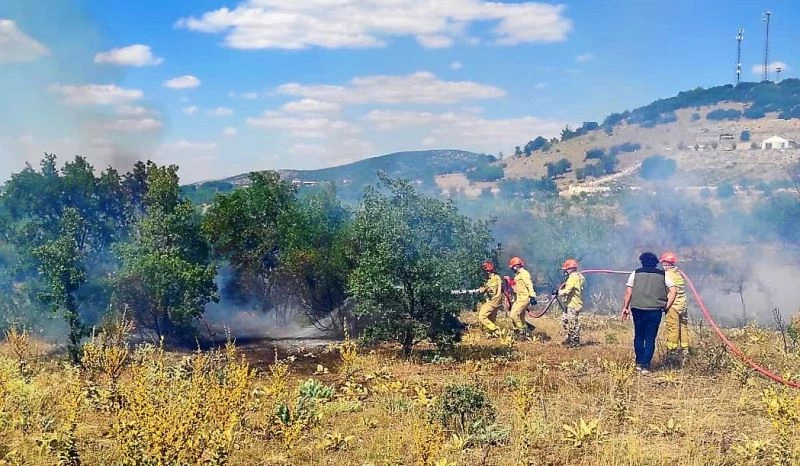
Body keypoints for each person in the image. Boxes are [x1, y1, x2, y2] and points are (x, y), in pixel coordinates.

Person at [621, 252, 677, 374]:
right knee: (650, 338)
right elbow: (673, 291)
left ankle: (639, 363)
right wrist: (666, 306)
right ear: (656, 263)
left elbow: (628, 292)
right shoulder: (663, 275)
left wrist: (625, 307)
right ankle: (646, 366)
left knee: (639, 336)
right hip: (655, 310)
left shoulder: (635, 273)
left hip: (638, 309)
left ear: (642, 262)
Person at [660, 252, 689, 364]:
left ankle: (672, 353)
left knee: (673, 329)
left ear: (666, 263)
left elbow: (672, 291)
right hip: (683, 305)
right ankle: (685, 350)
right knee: (683, 327)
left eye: (663, 262)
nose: (662, 264)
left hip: (673, 305)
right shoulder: (678, 273)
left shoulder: (666, 275)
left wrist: (666, 306)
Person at [558, 258, 585, 347]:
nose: (565, 272)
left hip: (573, 304)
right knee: (565, 320)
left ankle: (575, 342)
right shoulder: (580, 277)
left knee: (573, 323)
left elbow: (567, 291)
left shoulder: (573, 278)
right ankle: (569, 338)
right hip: (572, 303)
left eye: (566, 270)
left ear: (570, 269)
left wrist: (558, 292)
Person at [508, 256, 537, 339]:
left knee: (514, 315)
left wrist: (532, 296)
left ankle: (522, 332)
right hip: (518, 298)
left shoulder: (524, 273)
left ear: (517, 265)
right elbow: (517, 286)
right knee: (519, 317)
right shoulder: (517, 275)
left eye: (512, 267)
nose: (512, 269)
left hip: (524, 298)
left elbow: (529, 284)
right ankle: (525, 331)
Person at [476, 260, 503, 336]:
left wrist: (484, 289)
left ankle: (496, 329)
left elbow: (492, 290)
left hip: (493, 301)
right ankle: (491, 334)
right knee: (491, 318)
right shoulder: (493, 278)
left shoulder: (494, 278)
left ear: (487, 270)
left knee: (482, 316)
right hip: (495, 301)